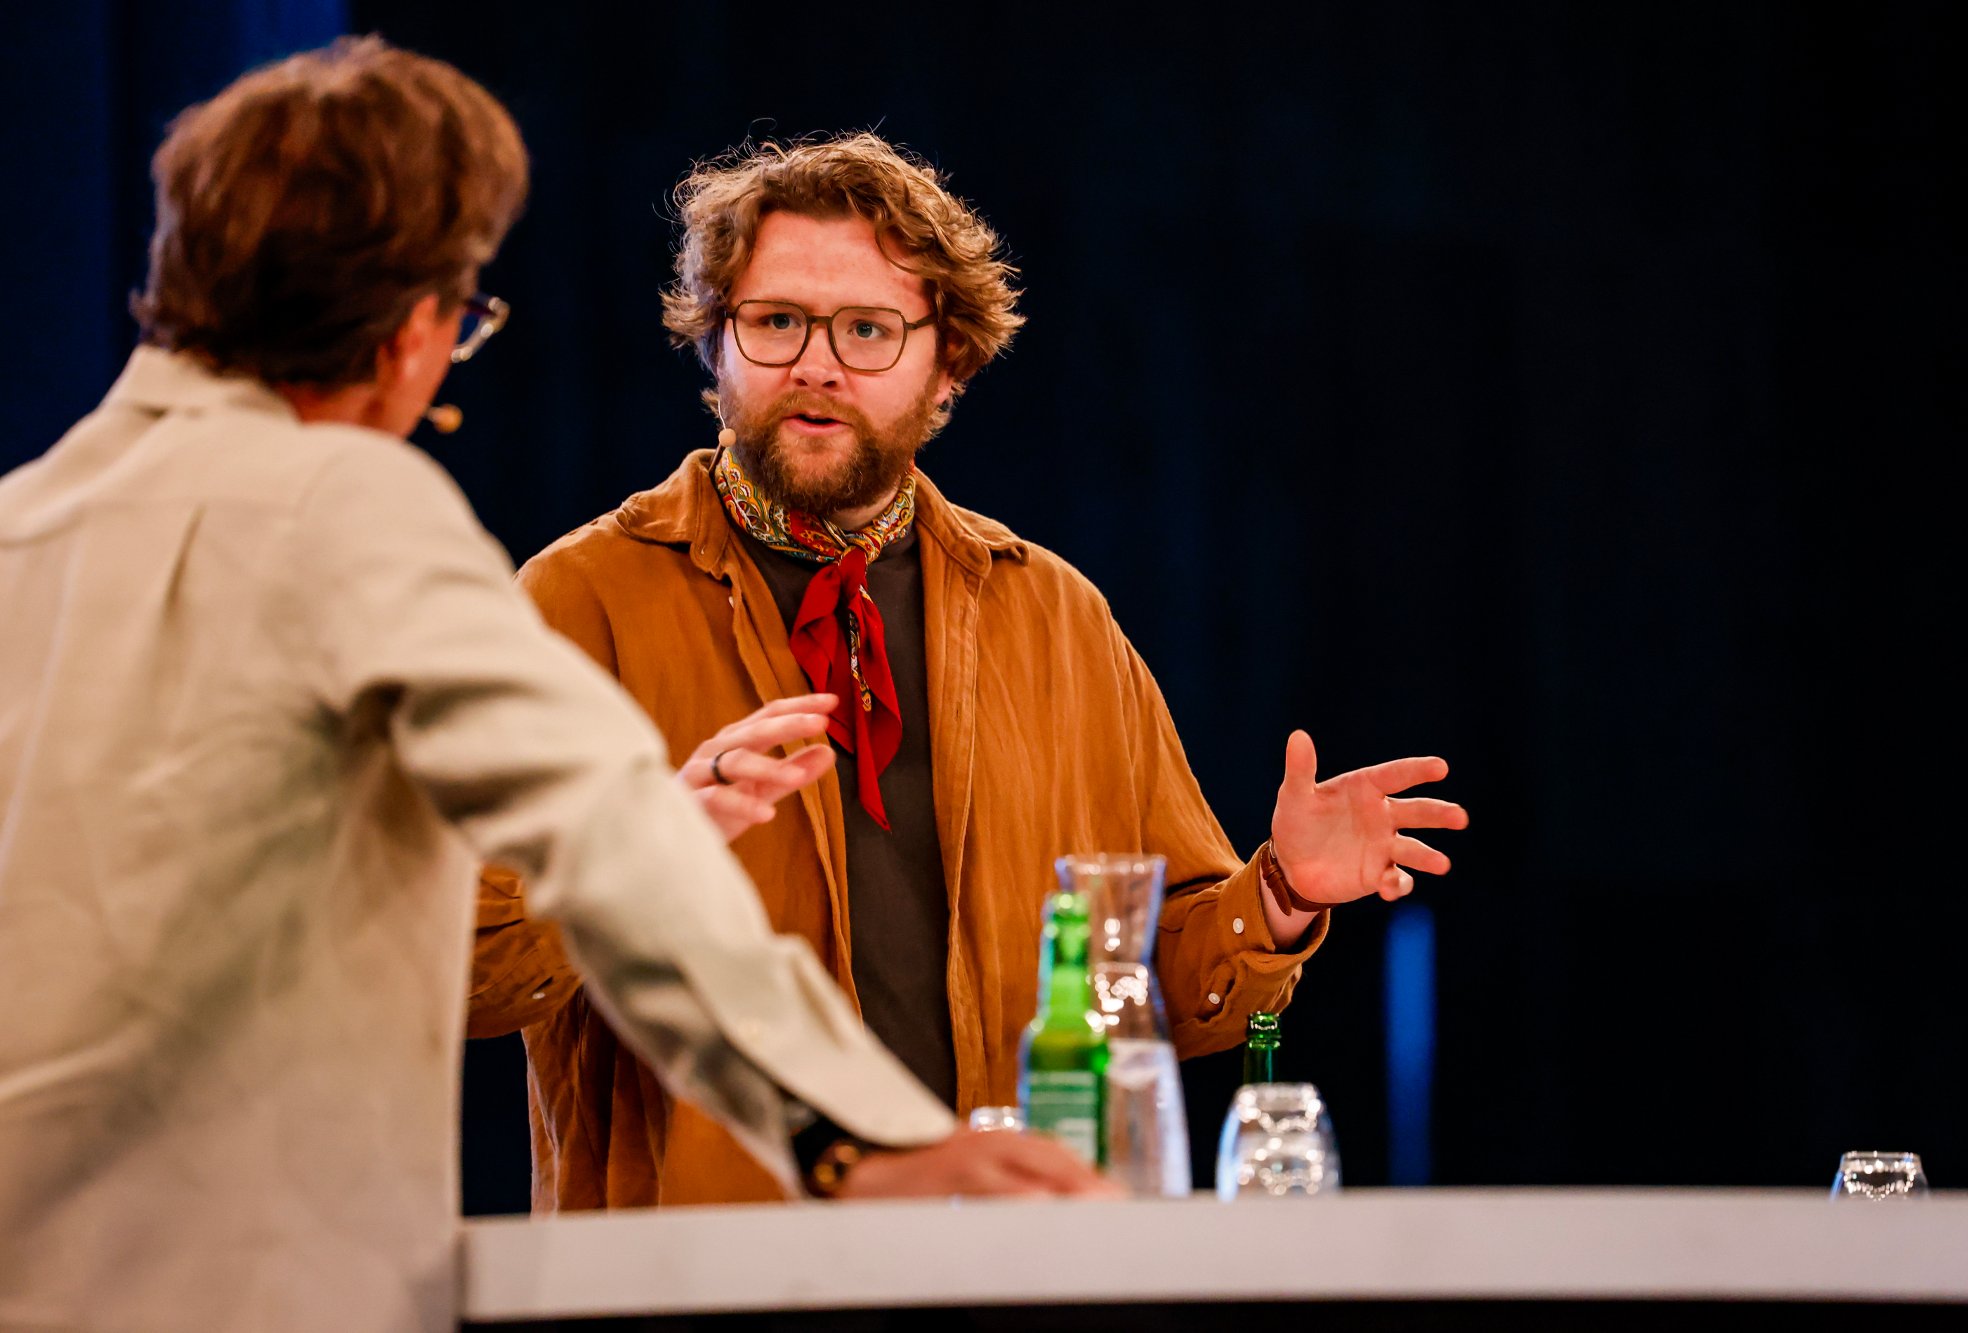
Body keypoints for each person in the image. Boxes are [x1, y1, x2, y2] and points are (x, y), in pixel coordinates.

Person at [0, 46, 1097, 1333]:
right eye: (462, 320)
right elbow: (606, 835)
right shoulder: (350, 507)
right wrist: (852, 1136)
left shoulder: (24, 525)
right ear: (410, 321)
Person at [470, 132, 1468, 1209]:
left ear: (947, 360)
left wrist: (1273, 893)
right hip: (697, 1278)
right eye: (773, 322)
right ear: (713, 344)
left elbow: (1156, 990)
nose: (815, 363)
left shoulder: (1053, 617)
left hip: (1003, 1267)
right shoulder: (580, 602)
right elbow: (466, 974)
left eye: (865, 329)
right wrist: (631, 850)